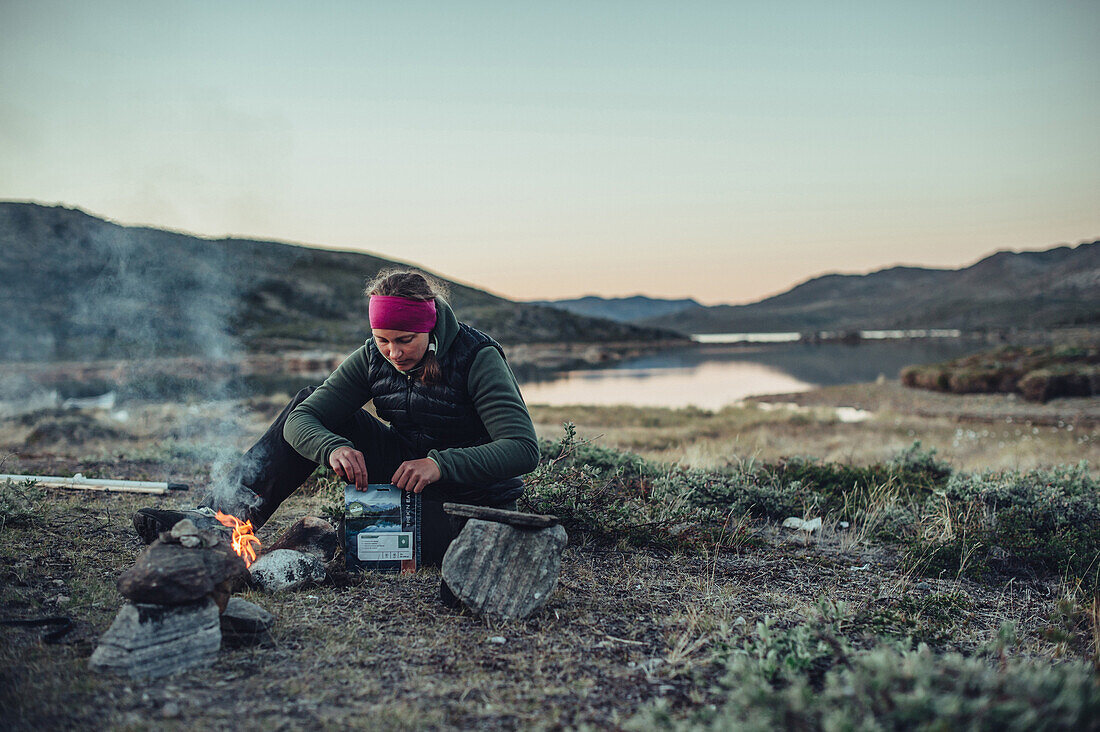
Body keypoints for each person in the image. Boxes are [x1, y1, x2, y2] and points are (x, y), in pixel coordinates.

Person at [134, 270, 540, 565]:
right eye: (383, 340)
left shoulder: (476, 357)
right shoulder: (371, 358)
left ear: (430, 330)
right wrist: (332, 448)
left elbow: (522, 449)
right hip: (403, 477)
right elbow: (302, 417)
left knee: (390, 551)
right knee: (308, 402)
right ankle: (220, 521)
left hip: (469, 498)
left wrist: (441, 464)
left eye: (405, 341)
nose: (393, 353)